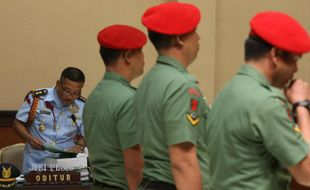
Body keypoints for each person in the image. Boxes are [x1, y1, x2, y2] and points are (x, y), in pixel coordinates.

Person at [206, 11, 310, 190]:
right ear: (275, 55)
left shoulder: (227, 92)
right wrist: (302, 106)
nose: (296, 69)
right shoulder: (266, 103)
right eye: (294, 60)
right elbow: (306, 173)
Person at [134, 2, 210, 190]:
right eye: (194, 31)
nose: (199, 38)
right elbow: (183, 161)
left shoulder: (149, 81)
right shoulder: (181, 85)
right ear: (179, 39)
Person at [82, 24, 147, 190]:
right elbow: (134, 166)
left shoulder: (95, 96)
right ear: (127, 56)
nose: (143, 57)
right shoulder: (128, 100)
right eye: (140, 51)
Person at [12, 67, 86, 173]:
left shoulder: (82, 105)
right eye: (67, 90)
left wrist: (79, 145)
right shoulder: (37, 99)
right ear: (58, 84)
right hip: (36, 163)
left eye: (76, 93)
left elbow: (88, 133)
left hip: (67, 165)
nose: (70, 97)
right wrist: (30, 139)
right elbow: (17, 123)